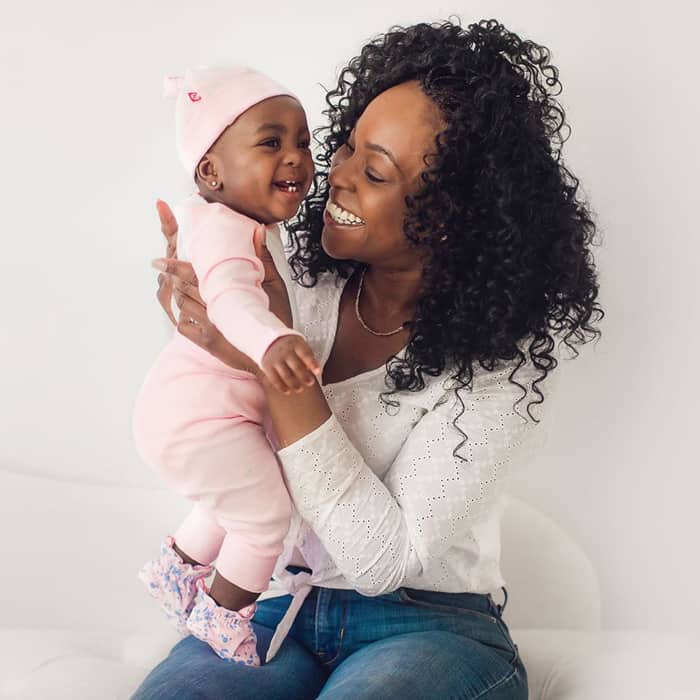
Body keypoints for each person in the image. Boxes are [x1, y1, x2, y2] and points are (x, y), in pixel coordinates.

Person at [133, 18, 603, 700]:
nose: (337, 176)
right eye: (348, 148)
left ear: (445, 215)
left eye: (374, 171)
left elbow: (383, 560)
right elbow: (228, 433)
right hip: (279, 606)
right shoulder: (298, 279)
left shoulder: (501, 363)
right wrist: (202, 327)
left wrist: (277, 369)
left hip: (430, 623)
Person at [132, 65, 320, 665]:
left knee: (231, 502)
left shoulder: (230, 221)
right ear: (210, 171)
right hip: (198, 415)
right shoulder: (224, 230)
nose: (295, 158)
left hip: (192, 410)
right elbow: (234, 299)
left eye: (303, 142)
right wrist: (274, 341)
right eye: (271, 143)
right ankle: (220, 620)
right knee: (265, 519)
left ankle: (176, 571)